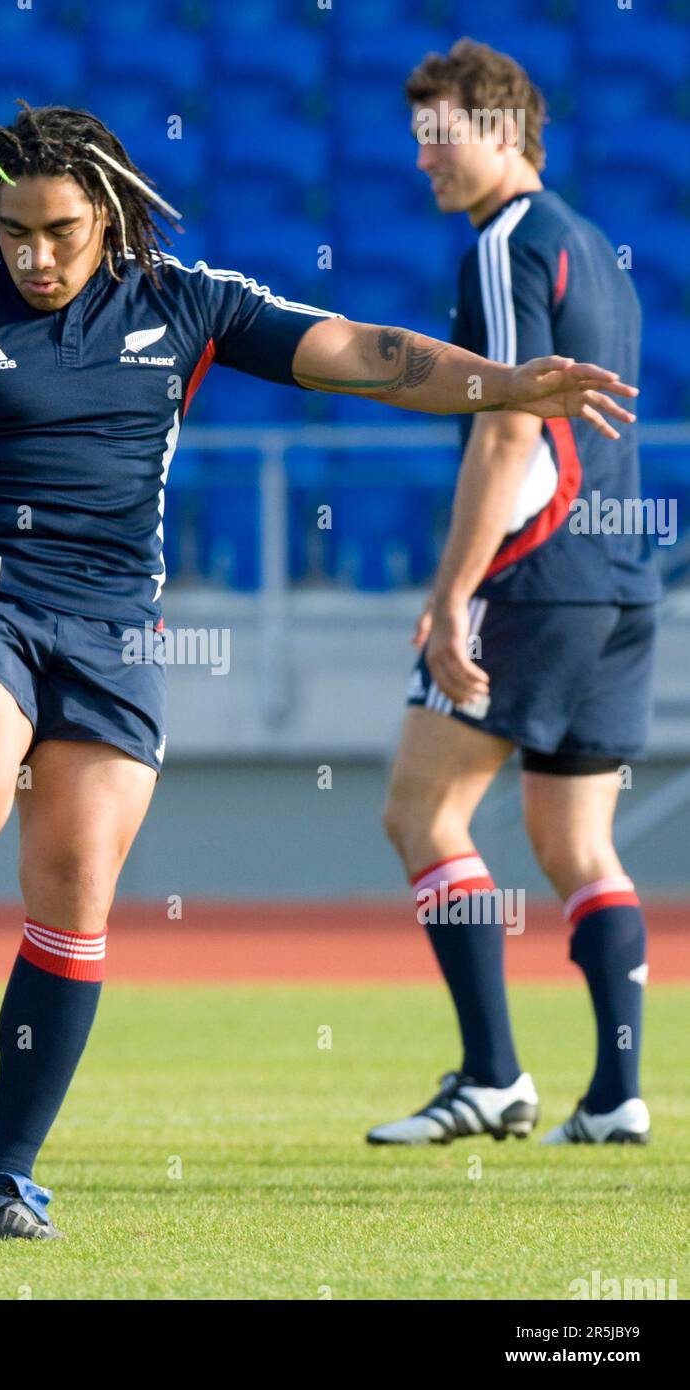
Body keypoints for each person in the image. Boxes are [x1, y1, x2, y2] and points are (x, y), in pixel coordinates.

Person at [0, 99, 638, 1239]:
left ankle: (6, 1178)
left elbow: (365, 353)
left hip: (111, 624)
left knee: (77, 883)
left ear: (106, 214)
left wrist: (500, 385)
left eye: (58, 229)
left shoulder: (187, 301)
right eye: (13, 230)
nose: (35, 254)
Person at [370, 41, 660, 1147]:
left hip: (535, 578)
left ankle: (492, 1074)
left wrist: (452, 595)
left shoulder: (507, 245)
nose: (424, 161)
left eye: (440, 137)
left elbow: (509, 427)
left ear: (501, 130)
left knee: (421, 811)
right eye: (416, 141)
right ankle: (617, 1093)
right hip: (620, 587)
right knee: (576, 843)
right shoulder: (596, 246)